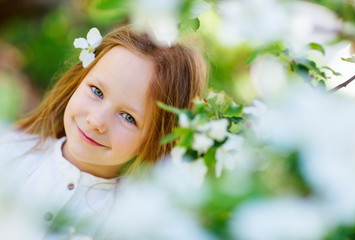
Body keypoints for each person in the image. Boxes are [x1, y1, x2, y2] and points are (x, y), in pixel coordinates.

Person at [0, 25, 206, 239]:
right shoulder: (9, 152)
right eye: (97, 92)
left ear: (157, 139)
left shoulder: (134, 222)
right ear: (79, 80)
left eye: (128, 117)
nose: (96, 120)